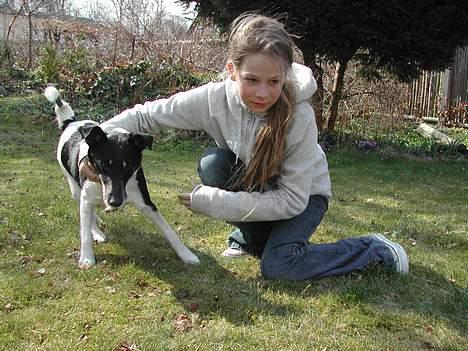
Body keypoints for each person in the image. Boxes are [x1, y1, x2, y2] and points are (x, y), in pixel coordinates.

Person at [79, 14, 409, 280]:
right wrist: (88, 151)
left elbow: (292, 199)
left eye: (274, 82)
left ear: (286, 76)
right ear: (232, 71)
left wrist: (221, 204)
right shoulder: (213, 99)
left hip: (305, 197)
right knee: (214, 165)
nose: (263, 93)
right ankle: (251, 240)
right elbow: (146, 116)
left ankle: (374, 249)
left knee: (279, 266)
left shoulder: (301, 117)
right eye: (251, 79)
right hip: (257, 182)